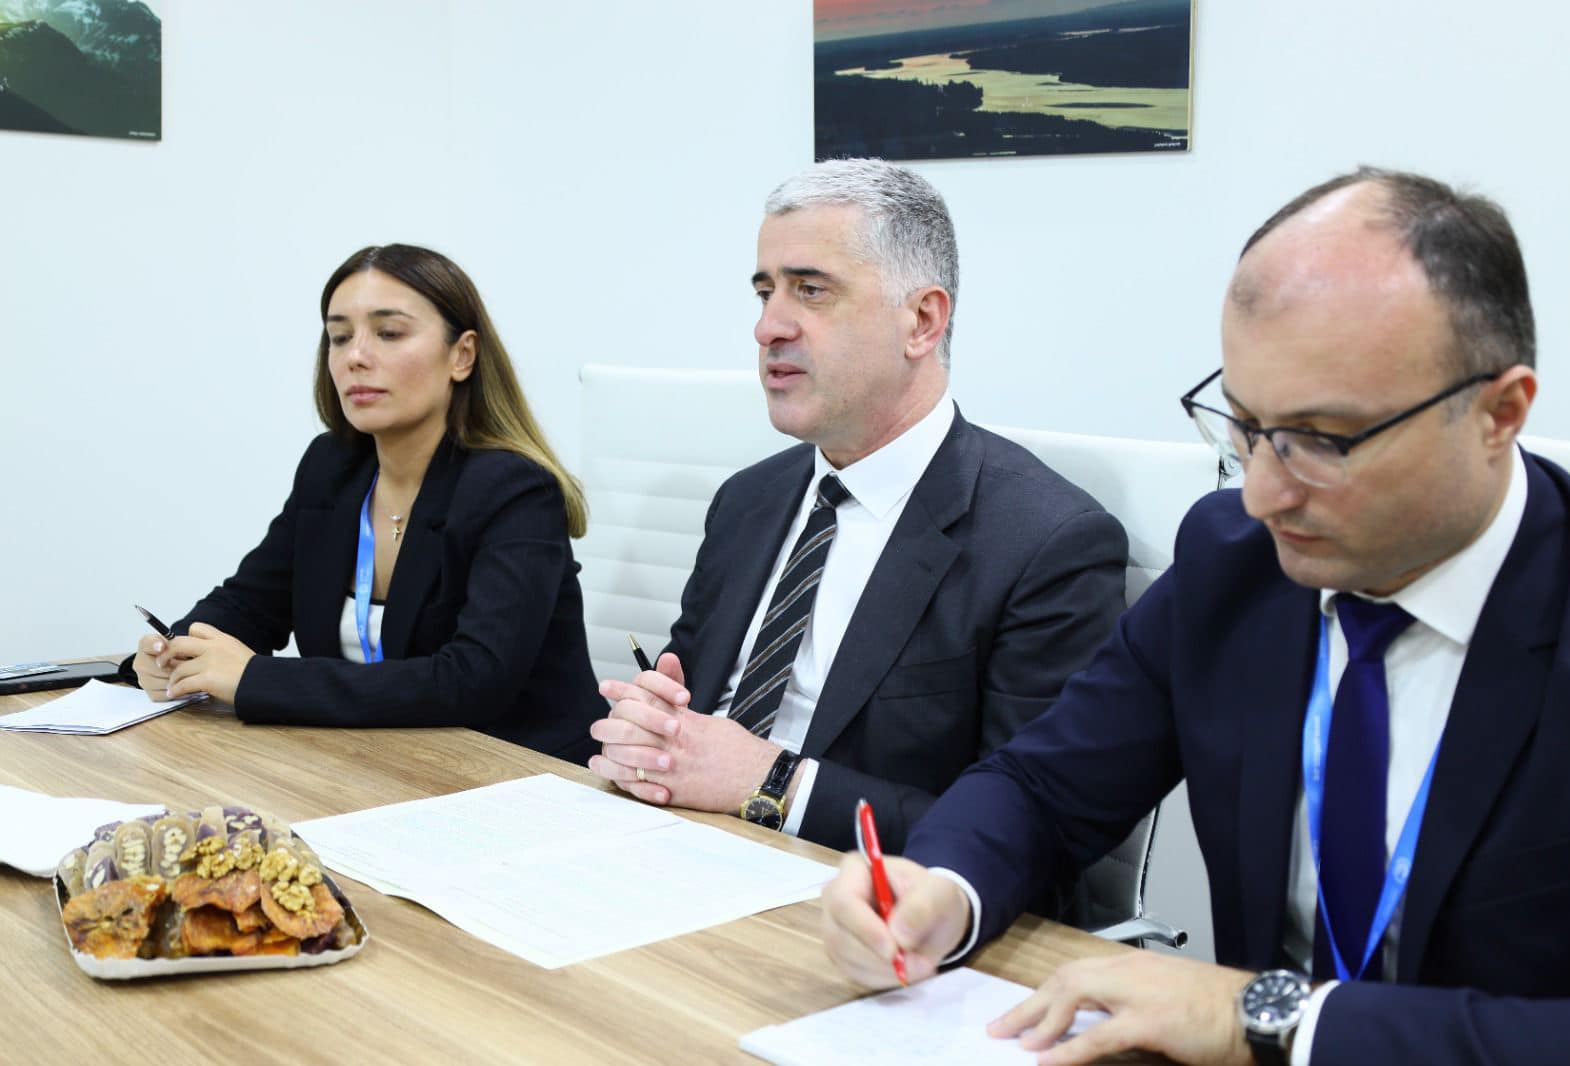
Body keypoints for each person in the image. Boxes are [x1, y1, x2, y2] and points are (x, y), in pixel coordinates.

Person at [820, 167, 1570, 1064]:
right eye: (1244, 427)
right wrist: (941, 889)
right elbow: (1042, 786)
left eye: (1323, 441)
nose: (1262, 493)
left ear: (1500, 412)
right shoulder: (1236, 569)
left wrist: (1274, 1021)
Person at [587, 159, 1128, 853]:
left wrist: (771, 782)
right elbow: (687, 705)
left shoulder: (1046, 543)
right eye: (765, 292)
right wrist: (649, 731)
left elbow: (1032, 831)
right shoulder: (748, 501)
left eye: (811, 290)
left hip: (858, 893)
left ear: (922, 321)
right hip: (667, 850)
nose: (767, 327)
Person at [129, 244, 604, 762]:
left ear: (462, 355)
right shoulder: (332, 467)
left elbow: (473, 680)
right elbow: (250, 604)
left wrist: (255, 678)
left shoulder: (515, 489)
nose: (355, 356)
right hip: (370, 765)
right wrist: (178, 649)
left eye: (389, 333)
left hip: (518, 775)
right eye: (339, 337)